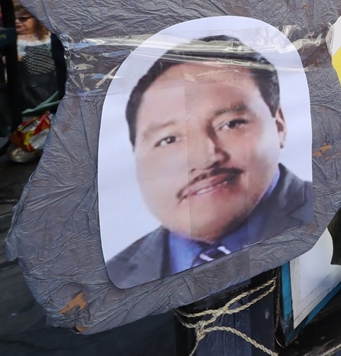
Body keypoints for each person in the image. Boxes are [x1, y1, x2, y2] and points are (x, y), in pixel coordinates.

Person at [106, 35, 313, 287]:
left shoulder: (332, 213)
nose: (203, 159)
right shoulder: (112, 276)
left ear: (279, 124)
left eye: (230, 124)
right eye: (169, 140)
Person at [13, 0, 58, 110]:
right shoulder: (13, 40)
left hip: (50, 83)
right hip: (25, 86)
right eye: (14, 18)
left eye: (23, 18)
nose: (17, 21)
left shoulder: (47, 37)